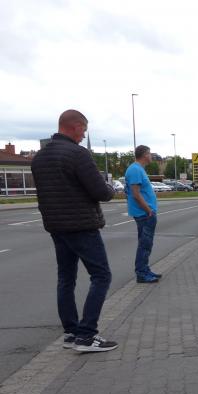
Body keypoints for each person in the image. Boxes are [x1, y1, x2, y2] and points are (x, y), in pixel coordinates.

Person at [32, 109, 118, 352]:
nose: (84, 135)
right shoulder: (78, 154)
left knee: (66, 278)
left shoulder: (40, 157)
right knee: (101, 275)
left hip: (56, 227)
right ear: (75, 126)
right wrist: (111, 189)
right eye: (84, 130)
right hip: (82, 226)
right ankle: (87, 335)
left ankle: (70, 333)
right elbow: (100, 191)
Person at [125, 145, 160, 283]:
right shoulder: (135, 169)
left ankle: (145, 269)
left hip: (145, 213)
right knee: (145, 244)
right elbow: (135, 194)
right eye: (150, 154)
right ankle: (141, 273)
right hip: (144, 214)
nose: (151, 156)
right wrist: (148, 210)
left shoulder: (138, 169)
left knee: (146, 244)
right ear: (145, 155)